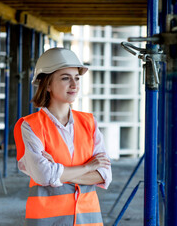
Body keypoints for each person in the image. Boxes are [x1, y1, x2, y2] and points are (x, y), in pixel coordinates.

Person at [14, 47, 112, 226]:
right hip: (47, 221)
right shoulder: (30, 126)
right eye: (66, 78)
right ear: (48, 84)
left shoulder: (89, 122)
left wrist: (57, 171)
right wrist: (88, 167)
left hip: (87, 221)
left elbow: (104, 175)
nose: (74, 85)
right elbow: (43, 176)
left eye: (77, 78)